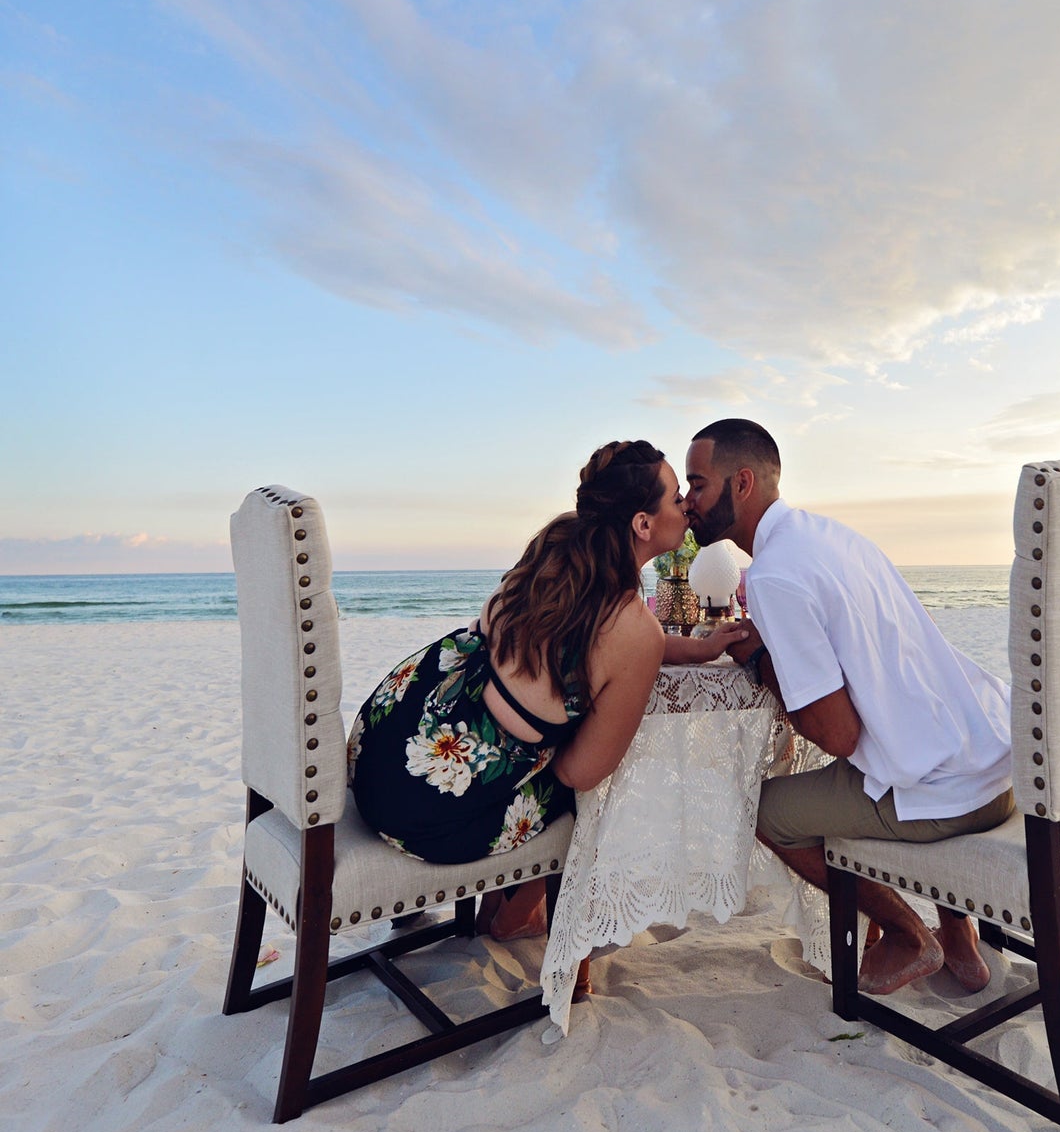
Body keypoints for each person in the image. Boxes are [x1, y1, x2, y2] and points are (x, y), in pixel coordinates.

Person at [349, 439, 747, 942]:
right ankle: (516, 916)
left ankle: (504, 901)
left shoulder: (561, 547)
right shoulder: (632, 631)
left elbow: (591, 640)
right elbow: (582, 771)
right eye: (675, 498)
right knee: (595, 783)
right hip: (424, 813)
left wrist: (692, 649)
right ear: (642, 525)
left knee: (532, 735)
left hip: (379, 741)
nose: (687, 505)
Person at [684, 418, 1014, 996]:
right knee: (899, 731)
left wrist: (760, 661)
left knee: (767, 813)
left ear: (741, 484)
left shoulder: (774, 576)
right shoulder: (832, 537)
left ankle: (909, 933)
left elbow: (836, 735)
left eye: (697, 484)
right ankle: (959, 936)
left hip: (947, 797)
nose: (688, 503)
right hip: (993, 763)